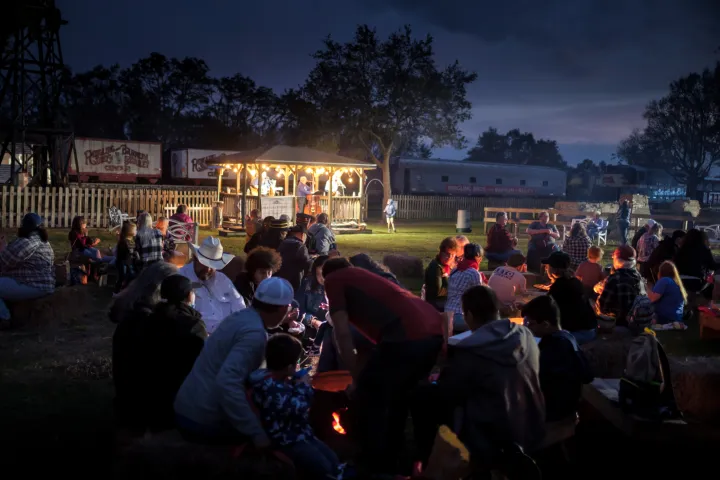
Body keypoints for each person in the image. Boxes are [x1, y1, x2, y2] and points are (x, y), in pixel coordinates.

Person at [321, 258, 444, 475]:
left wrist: (356, 382)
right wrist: (359, 375)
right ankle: (400, 455)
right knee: (398, 395)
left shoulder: (334, 279)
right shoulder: (367, 281)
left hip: (407, 334)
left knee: (370, 398)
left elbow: (340, 333)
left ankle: (371, 462)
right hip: (433, 332)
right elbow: (371, 352)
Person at [433, 286, 545, 468]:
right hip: (532, 426)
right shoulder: (525, 335)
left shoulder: (470, 350)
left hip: (493, 440)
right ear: (496, 309)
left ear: (468, 315)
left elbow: (448, 394)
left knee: (429, 402)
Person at [174, 277, 293, 446]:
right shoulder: (254, 334)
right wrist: (255, 432)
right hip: (203, 417)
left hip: (188, 404)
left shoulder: (240, 317)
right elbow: (228, 382)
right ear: (283, 308)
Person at [113, 274, 207, 434]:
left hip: (145, 398)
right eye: (192, 292)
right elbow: (202, 363)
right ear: (188, 296)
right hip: (179, 400)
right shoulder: (193, 325)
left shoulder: (147, 319)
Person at [249, 334, 340, 478]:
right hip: (287, 441)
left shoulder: (277, 380)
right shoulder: (270, 387)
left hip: (301, 434)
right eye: (296, 362)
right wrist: (304, 386)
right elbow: (299, 408)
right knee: (324, 468)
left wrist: (294, 382)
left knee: (333, 460)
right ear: (289, 367)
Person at [522, 295, 593, 422]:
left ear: (545, 324)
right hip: (561, 408)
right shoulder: (566, 338)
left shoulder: (557, 347)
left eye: (530, 324)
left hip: (553, 413)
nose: (526, 328)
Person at [179, 237, 245, 334]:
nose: (208, 269)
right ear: (195, 258)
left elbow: (239, 304)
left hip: (229, 334)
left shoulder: (222, 279)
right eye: (204, 264)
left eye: (213, 265)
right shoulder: (181, 278)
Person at [0, 213, 55, 326]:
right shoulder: (42, 241)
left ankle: (3, 318)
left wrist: (2, 246)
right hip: (42, 283)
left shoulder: (28, 241)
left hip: (33, 285)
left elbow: (4, 260)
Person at [545, 251, 597, 344]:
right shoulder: (574, 281)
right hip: (589, 329)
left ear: (553, 269)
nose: (546, 269)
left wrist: (525, 308)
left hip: (577, 333)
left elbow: (546, 308)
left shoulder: (559, 286)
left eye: (547, 266)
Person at [595, 245, 646, 327]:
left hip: (617, 323)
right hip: (636, 321)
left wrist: (600, 293)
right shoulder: (638, 276)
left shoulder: (614, 279)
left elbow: (602, 307)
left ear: (617, 260)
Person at [445, 243, 484, 334]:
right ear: (477, 257)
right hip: (460, 316)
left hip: (447, 315)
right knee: (486, 325)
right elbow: (480, 297)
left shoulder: (455, 270)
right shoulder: (473, 273)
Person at [674, 228, 719, 300]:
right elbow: (712, 266)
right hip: (695, 282)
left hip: (679, 281)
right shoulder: (704, 250)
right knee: (712, 288)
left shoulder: (681, 250)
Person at [295, 255, 330, 346]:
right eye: (319, 274)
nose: (322, 278)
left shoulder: (339, 287)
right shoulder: (307, 284)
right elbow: (298, 310)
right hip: (310, 329)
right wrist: (313, 321)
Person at [648, 261, 687, 329]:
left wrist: (645, 287)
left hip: (664, 318)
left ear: (661, 272)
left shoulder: (664, 280)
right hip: (676, 318)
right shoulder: (676, 283)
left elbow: (652, 298)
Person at [424, 236, 459, 311]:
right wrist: (454, 286)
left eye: (452, 255)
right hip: (437, 304)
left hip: (446, 302)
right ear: (441, 252)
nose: (449, 257)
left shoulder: (451, 266)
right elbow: (437, 291)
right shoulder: (436, 267)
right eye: (447, 254)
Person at [275, 224, 313, 292]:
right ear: (302, 235)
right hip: (294, 280)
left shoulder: (283, 243)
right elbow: (307, 263)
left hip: (281, 278)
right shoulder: (300, 246)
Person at [114, 221, 138, 294]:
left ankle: (124, 291)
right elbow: (130, 251)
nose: (136, 231)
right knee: (122, 278)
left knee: (128, 277)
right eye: (135, 230)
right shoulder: (125, 242)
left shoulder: (130, 241)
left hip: (127, 263)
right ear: (130, 232)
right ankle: (116, 293)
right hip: (123, 263)